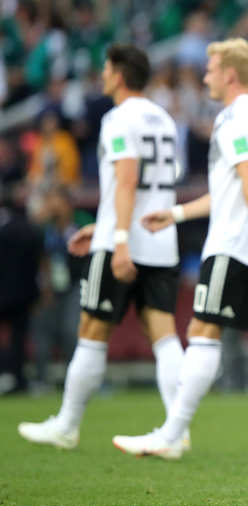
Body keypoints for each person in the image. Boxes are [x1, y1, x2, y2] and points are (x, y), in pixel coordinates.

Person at [112, 38, 248, 461]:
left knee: (203, 330)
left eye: (209, 69)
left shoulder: (234, 119)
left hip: (237, 243)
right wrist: (179, 213)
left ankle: (171, 434)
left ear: (228, 73)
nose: (204, 76)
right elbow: (236, 187)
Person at [18, 44, 186, 448]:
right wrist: (102, 224)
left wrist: (119, 237)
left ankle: (66, 425)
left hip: (123, 243)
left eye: (107, 68)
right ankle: (178, 431)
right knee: (163, 333)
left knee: (92, 329)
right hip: (160, 239)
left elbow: (127, 181)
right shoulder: (163, 118)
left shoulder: (118, 118)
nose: (103, 75)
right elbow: (155, 184)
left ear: (120, 74)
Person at [29, 185, 92, 389]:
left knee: (70, 331)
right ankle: (41, 379)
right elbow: (37, 254)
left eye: (57, 200)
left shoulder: (81, 221)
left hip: (76, 285)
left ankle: (75, 380)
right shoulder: (43, 227)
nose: (53, 206)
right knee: (42, 332)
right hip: (48, 287)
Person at [0, 183, 43, 394]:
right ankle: (17, 379)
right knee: (18, 338)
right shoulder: (25, 227)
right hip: (22, 293)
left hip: (8, 292)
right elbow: (37, 260)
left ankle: (8, 375)